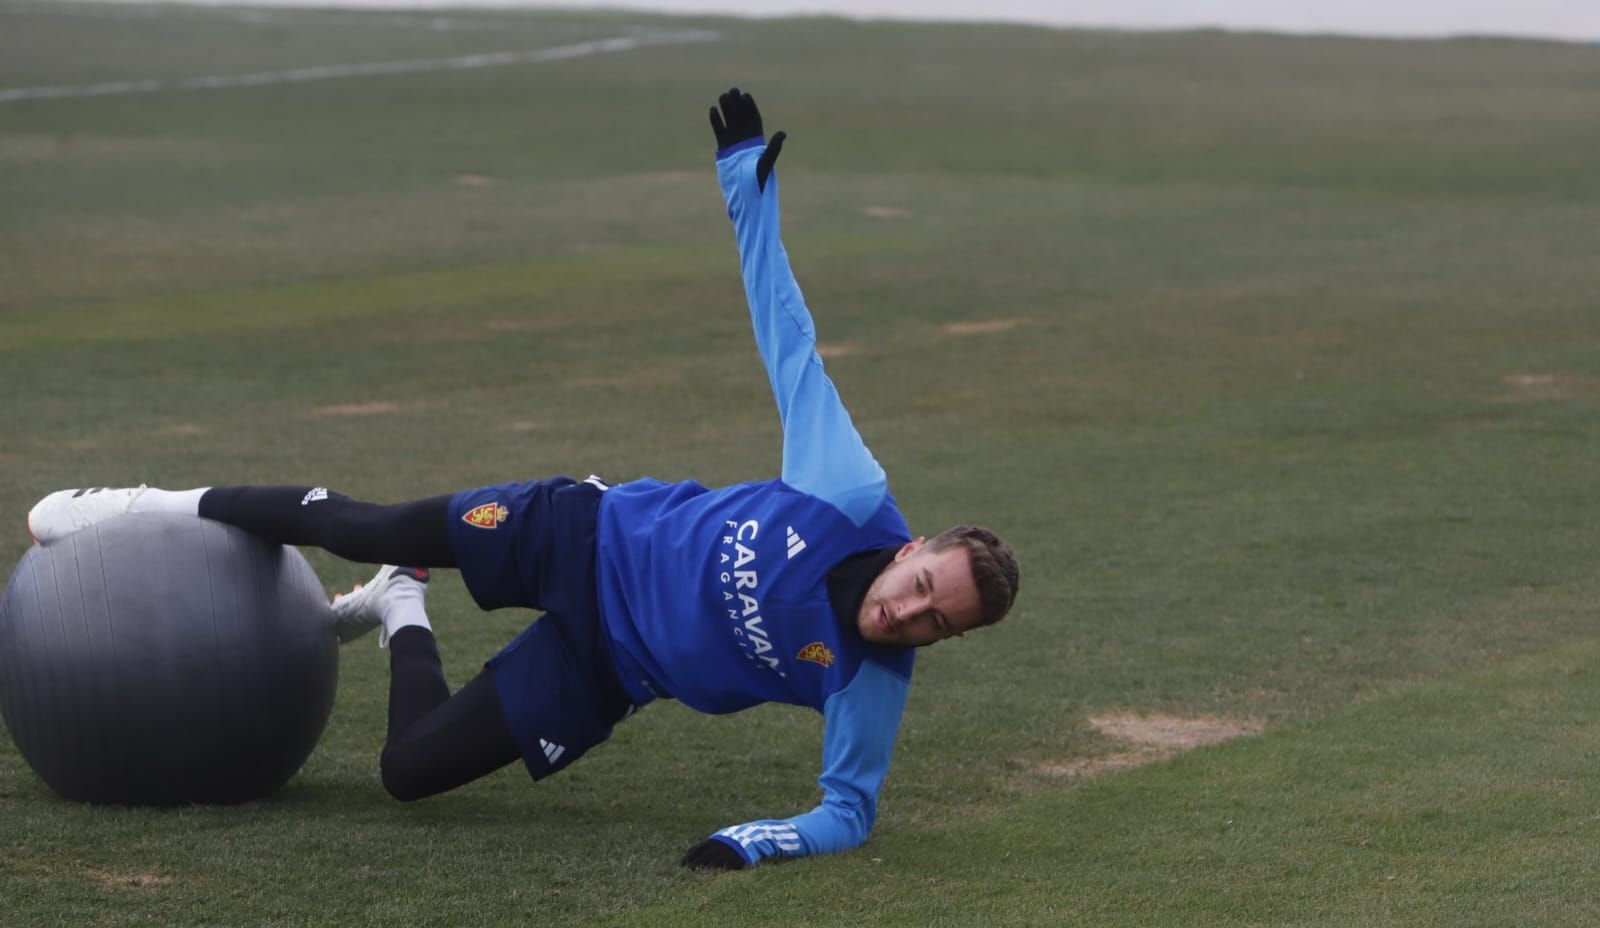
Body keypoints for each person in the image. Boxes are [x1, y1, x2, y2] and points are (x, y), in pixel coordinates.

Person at [26, 88, 1019, 870]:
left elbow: (847, 812)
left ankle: (399, 608)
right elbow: (787, 343)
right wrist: (743, 185)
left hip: (607, 670)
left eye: (937, 624)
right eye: (921, 587)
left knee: (407, 774)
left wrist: (752, 838)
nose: (906, 616)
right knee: (368, 524)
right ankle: (145, 502)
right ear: (911, 547)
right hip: (581, 530)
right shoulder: (843, 495)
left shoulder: (865, 679)